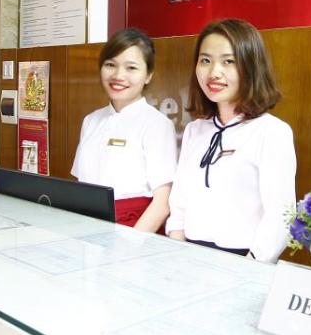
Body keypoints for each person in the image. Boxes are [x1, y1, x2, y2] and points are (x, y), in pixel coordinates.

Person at [166, 18, 296, 261]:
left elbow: (281, 216)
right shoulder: (195, 130)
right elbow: (179, 203)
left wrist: (250, 266)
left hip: (246, 262)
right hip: (188, 258)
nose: (214, 73)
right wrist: (177, 253)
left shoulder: (272, 132)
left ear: (251, 66)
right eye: (205, 60)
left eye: (229, 61)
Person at [71, 28, 177, 232]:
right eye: (110, 65)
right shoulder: (90, 121)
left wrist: (127, 245)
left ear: (148, 75)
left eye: (131, 68)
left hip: (134, 231)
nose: (119, 75)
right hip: (87, 228)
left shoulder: (157, 124)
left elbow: (162, 204)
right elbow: (80, 185)